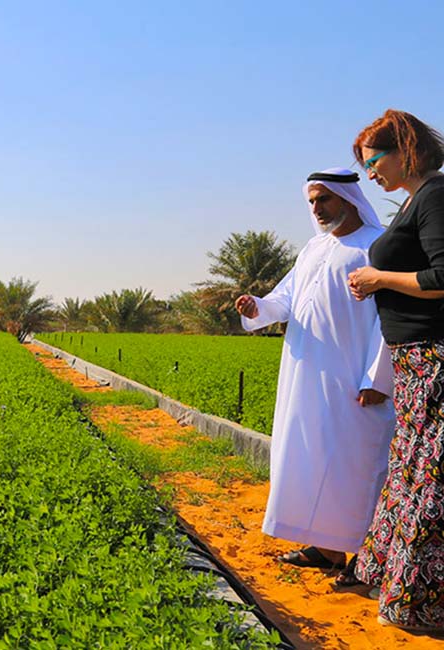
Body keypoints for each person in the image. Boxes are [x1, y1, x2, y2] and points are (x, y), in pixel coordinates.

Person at [235, 167, 394, 586]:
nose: (317, 209)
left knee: (356, 464)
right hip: (305, 374)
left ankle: (366, 558)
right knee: (310, 456)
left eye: (324, 199)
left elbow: (391, 320)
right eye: (311, 202)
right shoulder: (312, 248)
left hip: (353, 380)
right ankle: (325, 548)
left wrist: (378, 377)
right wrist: (258, 308)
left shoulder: (376, 247)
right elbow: (284, 299)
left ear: (348, 199)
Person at [347, 109, 444, 633]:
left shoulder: (435, 196)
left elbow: (442, 276)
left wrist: (379, 276)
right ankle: (398, 584)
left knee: (429, 479)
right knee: (412, 471)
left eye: (374, 160)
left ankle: (420, 601)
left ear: (407, 149)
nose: (371, 173)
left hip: (435, 359)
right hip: (415, 358)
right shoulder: (417, 199)